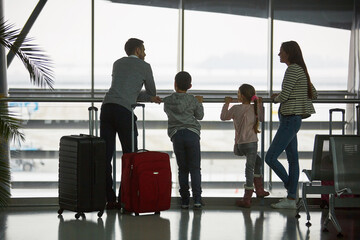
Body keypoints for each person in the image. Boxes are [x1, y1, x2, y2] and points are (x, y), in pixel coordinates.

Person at [100, 38, 161, 210]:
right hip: (123, 112)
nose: (145, 53)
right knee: (130, 158)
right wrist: (150, 98)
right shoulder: (145, 66)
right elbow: (151, 91)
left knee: (105, 157)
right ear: (137, 50)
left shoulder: (117, 63)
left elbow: (124, 89)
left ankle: (109, 199)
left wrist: (138, 93)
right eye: (143, 49)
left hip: (107, 107)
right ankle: (124, 199)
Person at [265, 41, 318, 209]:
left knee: (270, 157)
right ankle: (291, 198)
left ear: (288, 53)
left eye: (281, 52)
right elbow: (314, 94)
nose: (279, 55)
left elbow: (285, 95)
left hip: (289, 119)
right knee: (293, 160)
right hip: (293, 119)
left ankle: (291, 189)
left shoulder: (292, 69)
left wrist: (275, 97)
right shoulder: (301, 70)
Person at [220, 83, 270, 208]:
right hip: (252, 143)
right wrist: (260, 104)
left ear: (241, 96)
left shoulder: (236, 108)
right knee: (250, 167)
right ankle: (248, 197)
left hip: (241, 144)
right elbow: (262, 118)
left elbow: (223, 117)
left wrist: (226, 103)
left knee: (256, 162)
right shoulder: (254, 108)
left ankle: (258, 190)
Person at [163, 71, 204, 209]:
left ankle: (185, 200)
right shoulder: (193, 100)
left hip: (176, 135)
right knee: (195, 168)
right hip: (192, 134)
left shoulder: (168, 100)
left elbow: (169, 112)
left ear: (175, 84)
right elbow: (200, 115)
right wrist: (199, 102)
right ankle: (197, 199)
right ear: (190, 85)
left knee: (183, 169)